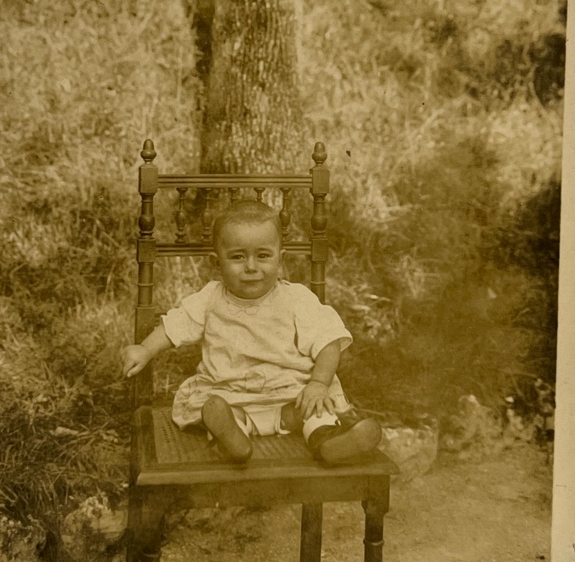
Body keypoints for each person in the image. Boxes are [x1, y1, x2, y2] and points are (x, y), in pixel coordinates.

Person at [120, 199, 381, 465]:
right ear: (217, 261)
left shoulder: (297, 298)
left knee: (316, 410)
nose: (251, 267)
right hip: (231, 393)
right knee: (216, 409)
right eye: (237, 257)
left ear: (281, 258)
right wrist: (145, 348)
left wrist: (318, 384)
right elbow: (175, 325)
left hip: (291, 395)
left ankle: (329, 442)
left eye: (263, 255)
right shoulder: (210, 298)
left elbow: (328, 341)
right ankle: (232, 440)